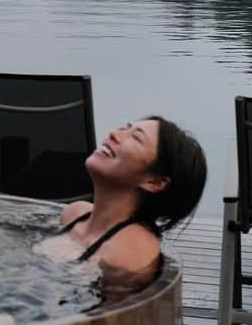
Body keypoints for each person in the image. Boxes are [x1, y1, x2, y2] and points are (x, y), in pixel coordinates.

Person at [37, 116, 206, 285]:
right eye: (125, 128)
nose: (114, 134)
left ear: (154, 182)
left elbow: (114, 311)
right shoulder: (74, 213)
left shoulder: (131, 257)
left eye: (136, 137)